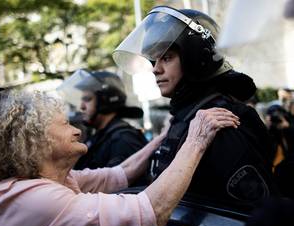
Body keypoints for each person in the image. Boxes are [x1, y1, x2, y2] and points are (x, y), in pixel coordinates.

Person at [0, 90, 239, 226]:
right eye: (64, 125)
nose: (76, 129)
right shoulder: (37, 199)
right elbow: (151, 212)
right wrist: (197, 138)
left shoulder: (51, 180)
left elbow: (121, 173)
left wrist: (164, 136)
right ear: (36, 142)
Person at [113, 6, 279, 210]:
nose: (156, 68)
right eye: (154, 60)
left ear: (195, 58)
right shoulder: (187, 116)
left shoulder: (219, 120)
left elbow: (250, 213)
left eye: (166, 57)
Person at [60, 69, 148, 172]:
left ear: (105, 100)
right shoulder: (99, 136)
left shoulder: (122, 140)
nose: (81, 106)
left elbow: (122, 184)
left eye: (87, 99)